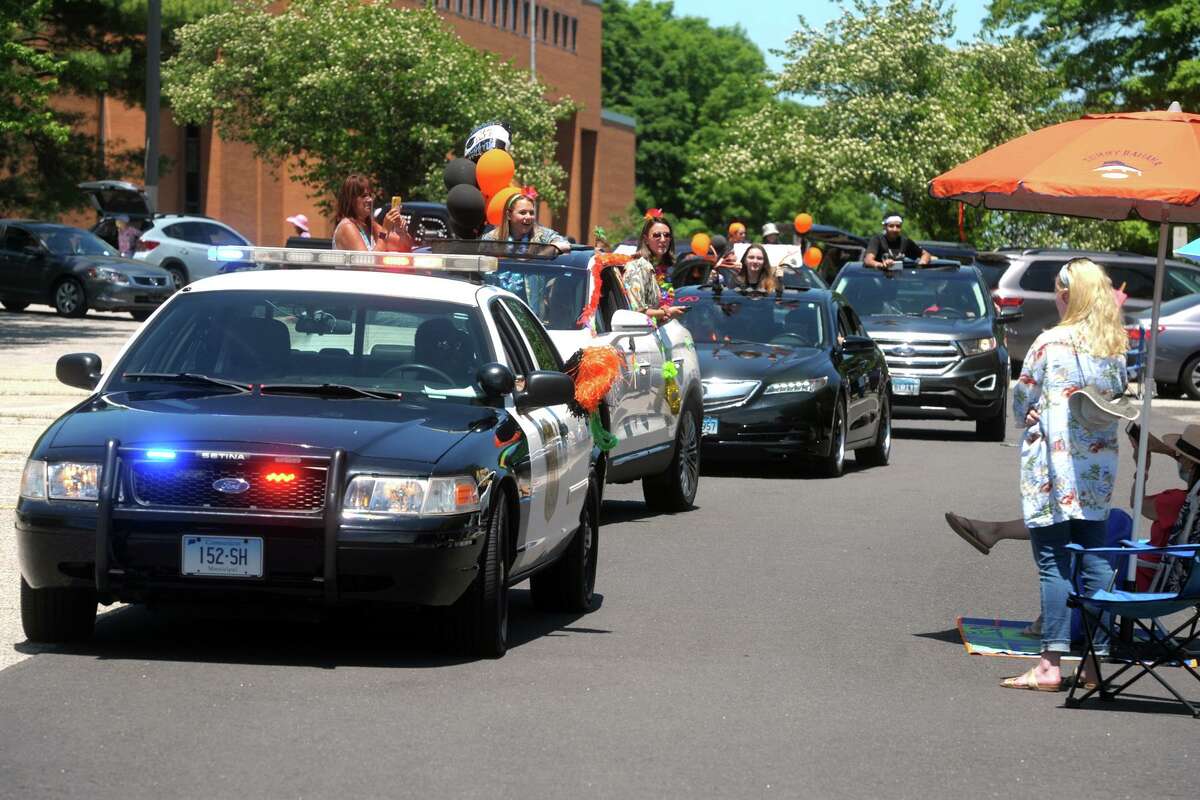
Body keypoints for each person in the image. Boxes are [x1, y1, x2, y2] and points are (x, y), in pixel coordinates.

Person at [999, 258, 1128, 691]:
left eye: (1058, 290)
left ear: (1068, 294)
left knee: (1054, 563)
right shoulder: (1113, 347)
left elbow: (1021, 402)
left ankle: (1050, 663)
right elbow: (1115, 396)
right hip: (1097, 468)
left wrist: (1034, 409)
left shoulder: (1049, 343)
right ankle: (1093, 663)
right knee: (1094, 560)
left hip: (1053, 468)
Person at [621, 214, 686, 323]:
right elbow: (636, 312)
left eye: (667, 235)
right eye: (656, 235)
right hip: (642, 335)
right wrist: (666, 312)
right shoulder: (637, 268)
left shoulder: (664, 270)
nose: (663, 239)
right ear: (646, 240)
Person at [332, 174, 403, 251]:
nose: (370, 200)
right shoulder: (347, 226)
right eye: (364, 196)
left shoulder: (369, 225)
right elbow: (368, 261)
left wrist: (401, 230)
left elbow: (403, 247)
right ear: (351, 200)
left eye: (370, 195)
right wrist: (385, 230)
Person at [482, 192, 569, 253]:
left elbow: (565, 245)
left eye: (531, 213)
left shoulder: (542, 236)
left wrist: (544, 254)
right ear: (509, 215)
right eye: (522, 212)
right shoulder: (491, 238)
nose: (528, 217)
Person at [863, 214, 931, 269]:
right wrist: (882, 265)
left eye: (898, 226)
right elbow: (868, 260)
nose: (895, 229)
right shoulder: (877, 240)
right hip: (879, 279)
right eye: (891, 226)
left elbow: (926, 254)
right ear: (885, 227)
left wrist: (922, 263)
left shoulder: (904, 241)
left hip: (899, 280)